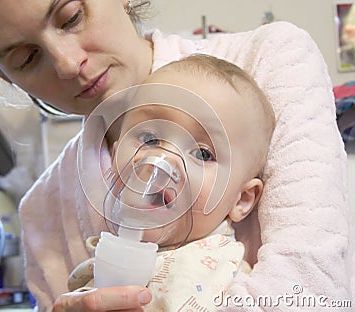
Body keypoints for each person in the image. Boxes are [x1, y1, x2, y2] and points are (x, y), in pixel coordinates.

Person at [0, 1, 352, 311]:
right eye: (26, 58)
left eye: (71, 16)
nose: (67, 63)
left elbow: (312, 287)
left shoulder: (268, 59)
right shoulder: (42, 211)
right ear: (6, 76)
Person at [68, 54, 276, 311]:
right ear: (115, 154)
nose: (162, 160)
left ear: (241, 199)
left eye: (202, 154)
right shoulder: (102, 256)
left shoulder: (222, 272)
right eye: (148, 138)